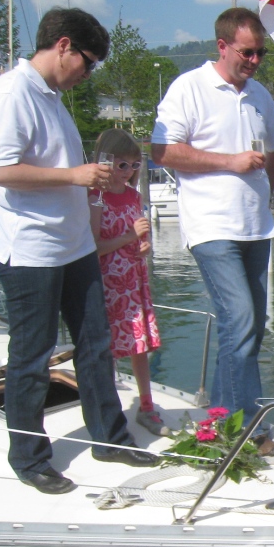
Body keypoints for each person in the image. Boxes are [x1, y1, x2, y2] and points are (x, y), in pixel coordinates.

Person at [0, 7, 154, 495]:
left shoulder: (53, 99)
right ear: (63, 46)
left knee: (96, 345)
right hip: (29, 249)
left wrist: (85, 180)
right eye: (88, 61)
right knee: (32, 356)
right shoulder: (12, 93)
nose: (89, 72)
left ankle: (109, 438)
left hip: (73, 245)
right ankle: (29, 457)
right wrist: (74, 175)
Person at [151, 7, 274, 426]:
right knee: (239, 319)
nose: (255, 60)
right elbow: (162, 151)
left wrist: (266, 190)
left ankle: (221, 420)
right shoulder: (189, 88)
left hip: (256, 226)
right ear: (222, 46)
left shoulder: (260, 95)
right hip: (211, 226)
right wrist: (230, 162)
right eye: (247, 52)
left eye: (260, 53)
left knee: (251, 327)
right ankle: (244, 425)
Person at [87, 129, 169, 438]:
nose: (128, 171)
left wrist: (143, 246)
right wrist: (130, 237)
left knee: (140, 345)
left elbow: (138, 240)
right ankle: (109, 410)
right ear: (105, 162)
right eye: (122, 164)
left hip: (134, 282)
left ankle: (146, 405)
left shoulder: (134, 196)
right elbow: (94, 247)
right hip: (107, 284)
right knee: (106, 348)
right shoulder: (95, 197)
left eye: (134, 165)